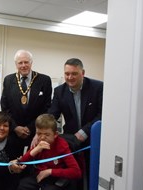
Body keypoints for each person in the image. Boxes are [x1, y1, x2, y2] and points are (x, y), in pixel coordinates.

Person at [48, 58, 103, 189]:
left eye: (74, 73)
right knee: (73, 176)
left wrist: (84, 132)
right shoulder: (59, 91)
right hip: (72, 141)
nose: (70, 77)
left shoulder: (98, 87)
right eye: (67, 74)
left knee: (92, 174)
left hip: (93, 139)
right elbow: (52, 115)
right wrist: (41, 132)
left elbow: (102, 114)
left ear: (82, 73)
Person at [1, 49, 52, 159]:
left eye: (26, 62)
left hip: (36, 132)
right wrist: (15, 127)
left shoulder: (44, 80)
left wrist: (30, 127)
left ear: (31, 63)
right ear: (16, 64)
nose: (23, 65)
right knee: (13, 162)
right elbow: (5, 108)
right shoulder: (8, 80)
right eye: (20, 63)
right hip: (14, 133)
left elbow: (46, 108)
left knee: (33, 164)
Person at [17, 114, 82, 190]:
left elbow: (76, 172)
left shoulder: (62, 145)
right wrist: (36, 150)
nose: (42, 137)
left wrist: (50, 171)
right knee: (22, 185)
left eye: (47, 134)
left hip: (56, 178)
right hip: (39, 176)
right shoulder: (37, 142)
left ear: (55, 135)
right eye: (39, 134)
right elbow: (22, 162)